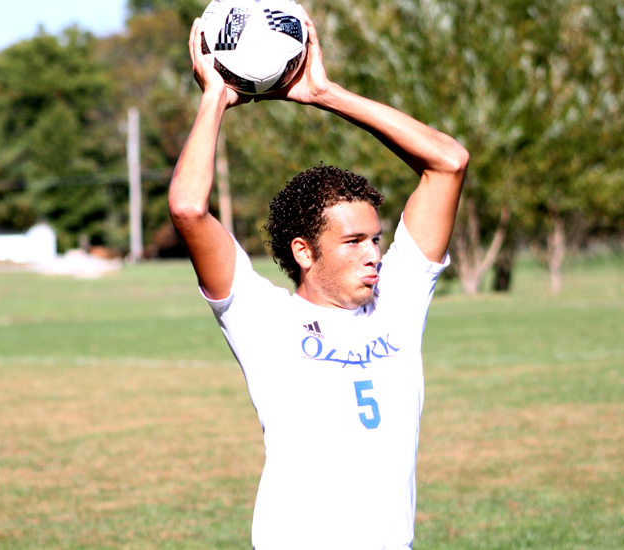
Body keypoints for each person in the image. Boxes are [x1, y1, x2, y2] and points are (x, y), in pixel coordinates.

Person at [168, 9, 469, 550]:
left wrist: (325, 92)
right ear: (303, 252)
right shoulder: (261, 318)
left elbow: (448, 161)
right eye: (353, 243)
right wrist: (214, 95)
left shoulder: (396, 302)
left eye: (375, 239)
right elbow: (189, 209)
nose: (374, 254)